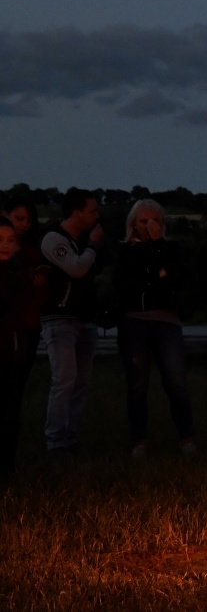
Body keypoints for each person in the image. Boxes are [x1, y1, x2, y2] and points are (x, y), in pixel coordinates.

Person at [114, 200, 195, 459]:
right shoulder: (124, 251)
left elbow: (176, 273)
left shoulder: (172, 248)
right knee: (137, 385)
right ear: (133, 224)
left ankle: (188, 440)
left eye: (155, 221)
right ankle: (139, 443)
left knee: (176, 383)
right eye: (143, 221)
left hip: (167, 321)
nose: (149, 226)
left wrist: (159, 248)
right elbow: (130, 281)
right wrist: (156, 273)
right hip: (134, 320)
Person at [40, 188, 105, 453]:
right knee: (64, 380)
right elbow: (77, 269)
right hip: (60, 320)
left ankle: (71, 438)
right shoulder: (54, 238)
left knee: (81, 383)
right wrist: (93, 245)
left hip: (84, 320)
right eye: (92, 211)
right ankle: (56, 441)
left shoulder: (78, 240)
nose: (97, 216)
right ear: (76, 213)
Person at [2, 196, 48, 398]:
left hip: (27, 325)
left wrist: (37, 283)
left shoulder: (32, 252)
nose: (24, 224)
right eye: (19, 218)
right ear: (5, 215)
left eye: (28, 221)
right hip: (7, 324)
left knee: (16, 385)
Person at [0, 217, 31, 478]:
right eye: (0, 240)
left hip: (12, 350)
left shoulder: (18, 273)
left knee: (10, 410)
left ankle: (8, 464)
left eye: (10, 240)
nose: (5, 245)